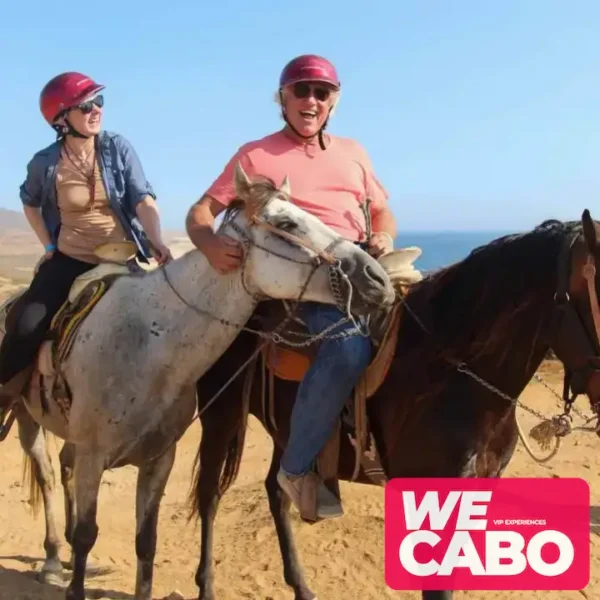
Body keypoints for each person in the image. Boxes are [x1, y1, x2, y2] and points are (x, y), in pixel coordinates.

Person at [186, 54, 397, 519]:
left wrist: (383, 234)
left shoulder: (354, 153)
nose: (311, 100)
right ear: (282, 99)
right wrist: (207, 242)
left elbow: (382, 211)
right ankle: (296, 468)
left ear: (334, 102)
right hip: (298, 280)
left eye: (322, 93)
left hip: (359, 264)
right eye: (300, 90)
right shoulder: (254, 155)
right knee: (346, 348)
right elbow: (201, 212)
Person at [0, 71, 172, 400]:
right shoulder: (45, 163)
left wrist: (157, 239)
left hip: (124, 259)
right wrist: (48, 245)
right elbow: (29, 202)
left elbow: (142, 199)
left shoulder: (117, 147)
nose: (96, 110)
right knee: (25, 326)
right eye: (85, 105)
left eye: (99, 102)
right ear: (61, 120)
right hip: (71, 260)